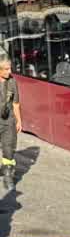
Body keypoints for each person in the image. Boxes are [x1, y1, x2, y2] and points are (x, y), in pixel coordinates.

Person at [0, 54, 20, 190]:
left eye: (10, 69)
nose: (9, 72)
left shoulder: (12, 82)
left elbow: (16, 103)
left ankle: (8, 176)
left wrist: (19, 121)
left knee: (9, 149)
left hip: (8, 121)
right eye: (6, 69)